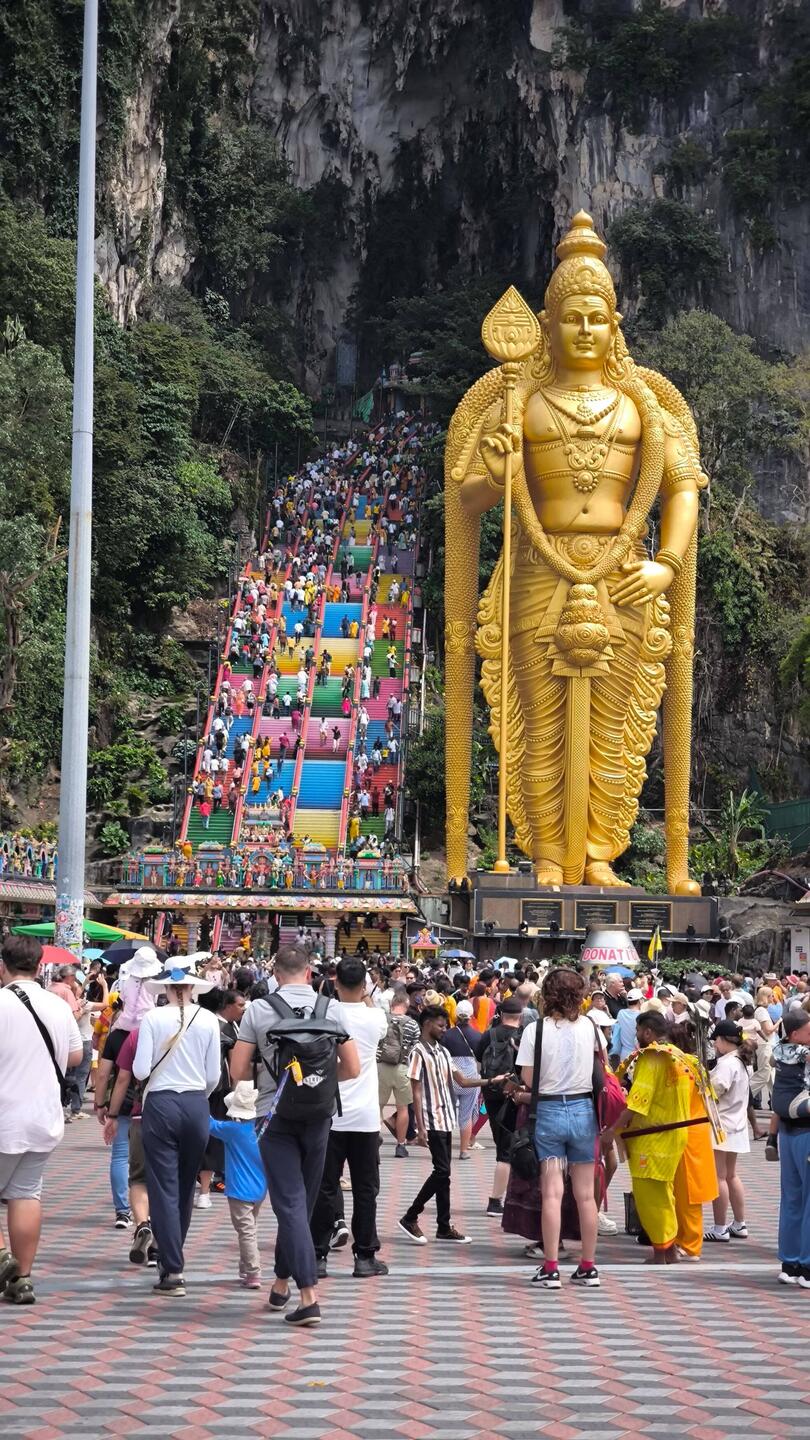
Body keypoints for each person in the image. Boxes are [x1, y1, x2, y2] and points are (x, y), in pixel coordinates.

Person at [230, 945, 359, 1327]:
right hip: (320, 1116)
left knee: (289, 1205)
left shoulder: (258, 1009)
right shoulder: (330, 1008)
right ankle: (282, 1283)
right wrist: (318, 1080)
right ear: (309, 972)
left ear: (276, 973)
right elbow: (351, 1068)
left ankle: (308, 1296)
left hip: (275, 1116)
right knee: (300, 1203)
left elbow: (238, 1069)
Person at [130, 962, 222, 1297]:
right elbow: (213, 1075)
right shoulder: (210, 1019)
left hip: (162, 1103)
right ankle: (172, 1260)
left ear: (166, 987)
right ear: (194, 986)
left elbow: (141, 1071)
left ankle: (172, 1267)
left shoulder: (153, 1018)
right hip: (197, 1103)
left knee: (163, 1186)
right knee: (185, 1185)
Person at [0, 935, 83, 1304]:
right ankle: (23, 1278)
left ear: (3, 966)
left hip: (5, 1114)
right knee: (26, 1193)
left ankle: (3, 1257)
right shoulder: (57, 1005)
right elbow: (76, 1057)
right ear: (39, 967)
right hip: (43, 1115)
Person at [514, 967, 601, 1289]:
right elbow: (597, 1070)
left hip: (549, 1110)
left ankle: (550, 1267)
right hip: (583, 1111)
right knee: (585, 1196)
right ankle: (588, 1266)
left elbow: (527, 1078)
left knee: (552, 1192)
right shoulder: (591, 1026)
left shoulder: (535, 1030)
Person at [310, 957, 389, 1278]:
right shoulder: (376, 1018)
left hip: (330, 1113)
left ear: (335, 982)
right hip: (367, 1116)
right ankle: (365, 1255)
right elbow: (373, 1014)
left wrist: (330, 991)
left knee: (325, 1187)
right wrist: (367, 994)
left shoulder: (326, 1013)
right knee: (366, 1188)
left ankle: (318, 1255)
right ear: (365, 984)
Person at [601, 1010, 696, 1266]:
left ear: (648, 1032)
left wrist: (611, 1130)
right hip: (674, 1134)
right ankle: (670, 1249)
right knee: (664, 1192)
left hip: (652, 1137)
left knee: (650, 1196)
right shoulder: (679, 1055)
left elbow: (637, 1104)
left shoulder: (652, 1058)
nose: (636, 1037)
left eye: (638, 1031)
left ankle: (661, 1250)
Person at [398, 1005, 482, 1245]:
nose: (444, 1029)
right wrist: (421, 1127)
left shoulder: (443, 1052)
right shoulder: (417, 1052)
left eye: (445, 1025)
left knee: (445, 1174)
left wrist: (491, 1081)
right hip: (431, 1119)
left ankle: (444, 1226)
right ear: (427, 1024)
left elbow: (463, 1081)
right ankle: (410, 1216)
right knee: (442, 1171)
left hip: (446, 1119)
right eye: (440, 1025)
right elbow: (415, 1091)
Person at [209, 1082, 268, 1288]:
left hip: (239, 1189)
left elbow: (209, 1125)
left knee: (245, 1230)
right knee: (251, 1227)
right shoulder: (262, 1130)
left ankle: (253, 1271)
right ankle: (245, 1267)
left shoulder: (232, 1129)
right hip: (260, 1188)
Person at [770, 1008, 810, 1285]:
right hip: (807, 1132)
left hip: (786, 1133)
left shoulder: (780, 1053)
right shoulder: (806, 1056)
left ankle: (790, 1263)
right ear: (795, 1034)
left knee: (792, 1199)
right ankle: (807, 1267)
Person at [703, 1020, 753, 1243]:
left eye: (716, 1040)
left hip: (720, 1125)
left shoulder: (727, 1064)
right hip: (737, 1124)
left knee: (719, 1177)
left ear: (723, 1040)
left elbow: (713, 1092)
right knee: (731, 1175)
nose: (715, 1044)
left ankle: (720, 1226)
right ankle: (739, 1223)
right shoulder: (741, 1061)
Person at [477, 995, 522, 1217]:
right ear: (520, 1016)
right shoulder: (523, 1036)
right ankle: (495, 1201)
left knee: (502, 1145)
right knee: (511, 1150)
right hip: (516, 1097)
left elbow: (478, 1061)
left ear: (501, 1014)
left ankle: (506, 1196)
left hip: (492, 1094)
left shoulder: (490, 1034)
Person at [377, 986, 420, 1157]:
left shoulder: (381, 1019)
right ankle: (401, 1145)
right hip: (403, 1068)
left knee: (377, 1106)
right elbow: (416, 1048)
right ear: (406, 1004)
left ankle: (373, 1139)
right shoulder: (412, 1024)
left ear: (392, 1003)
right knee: (402, 1108)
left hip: (380, 1066)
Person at [440, 998, 482, 1161]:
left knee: (448, 1114)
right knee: (466, 1116)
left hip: (451, 1078)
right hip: (471, 1080)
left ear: (455, 1016)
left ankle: (444, 1151)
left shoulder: (447, 1035)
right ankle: (464, 1150)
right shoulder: (478, 1036)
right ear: (471, 1016)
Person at [609, 986, 643, 1064]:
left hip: (623, 1054)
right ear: (640, 1001)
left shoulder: (621, 1013)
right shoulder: (642, 1016)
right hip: (637, 1054)